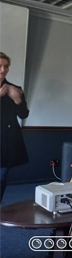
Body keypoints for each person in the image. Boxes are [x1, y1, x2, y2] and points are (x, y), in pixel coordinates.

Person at [0, 52, 29, 205]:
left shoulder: (15, 89)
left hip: (7, 141)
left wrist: (18, 100)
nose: (3, 70)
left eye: (6, 66)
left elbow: (24, 115)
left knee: (2, 177)